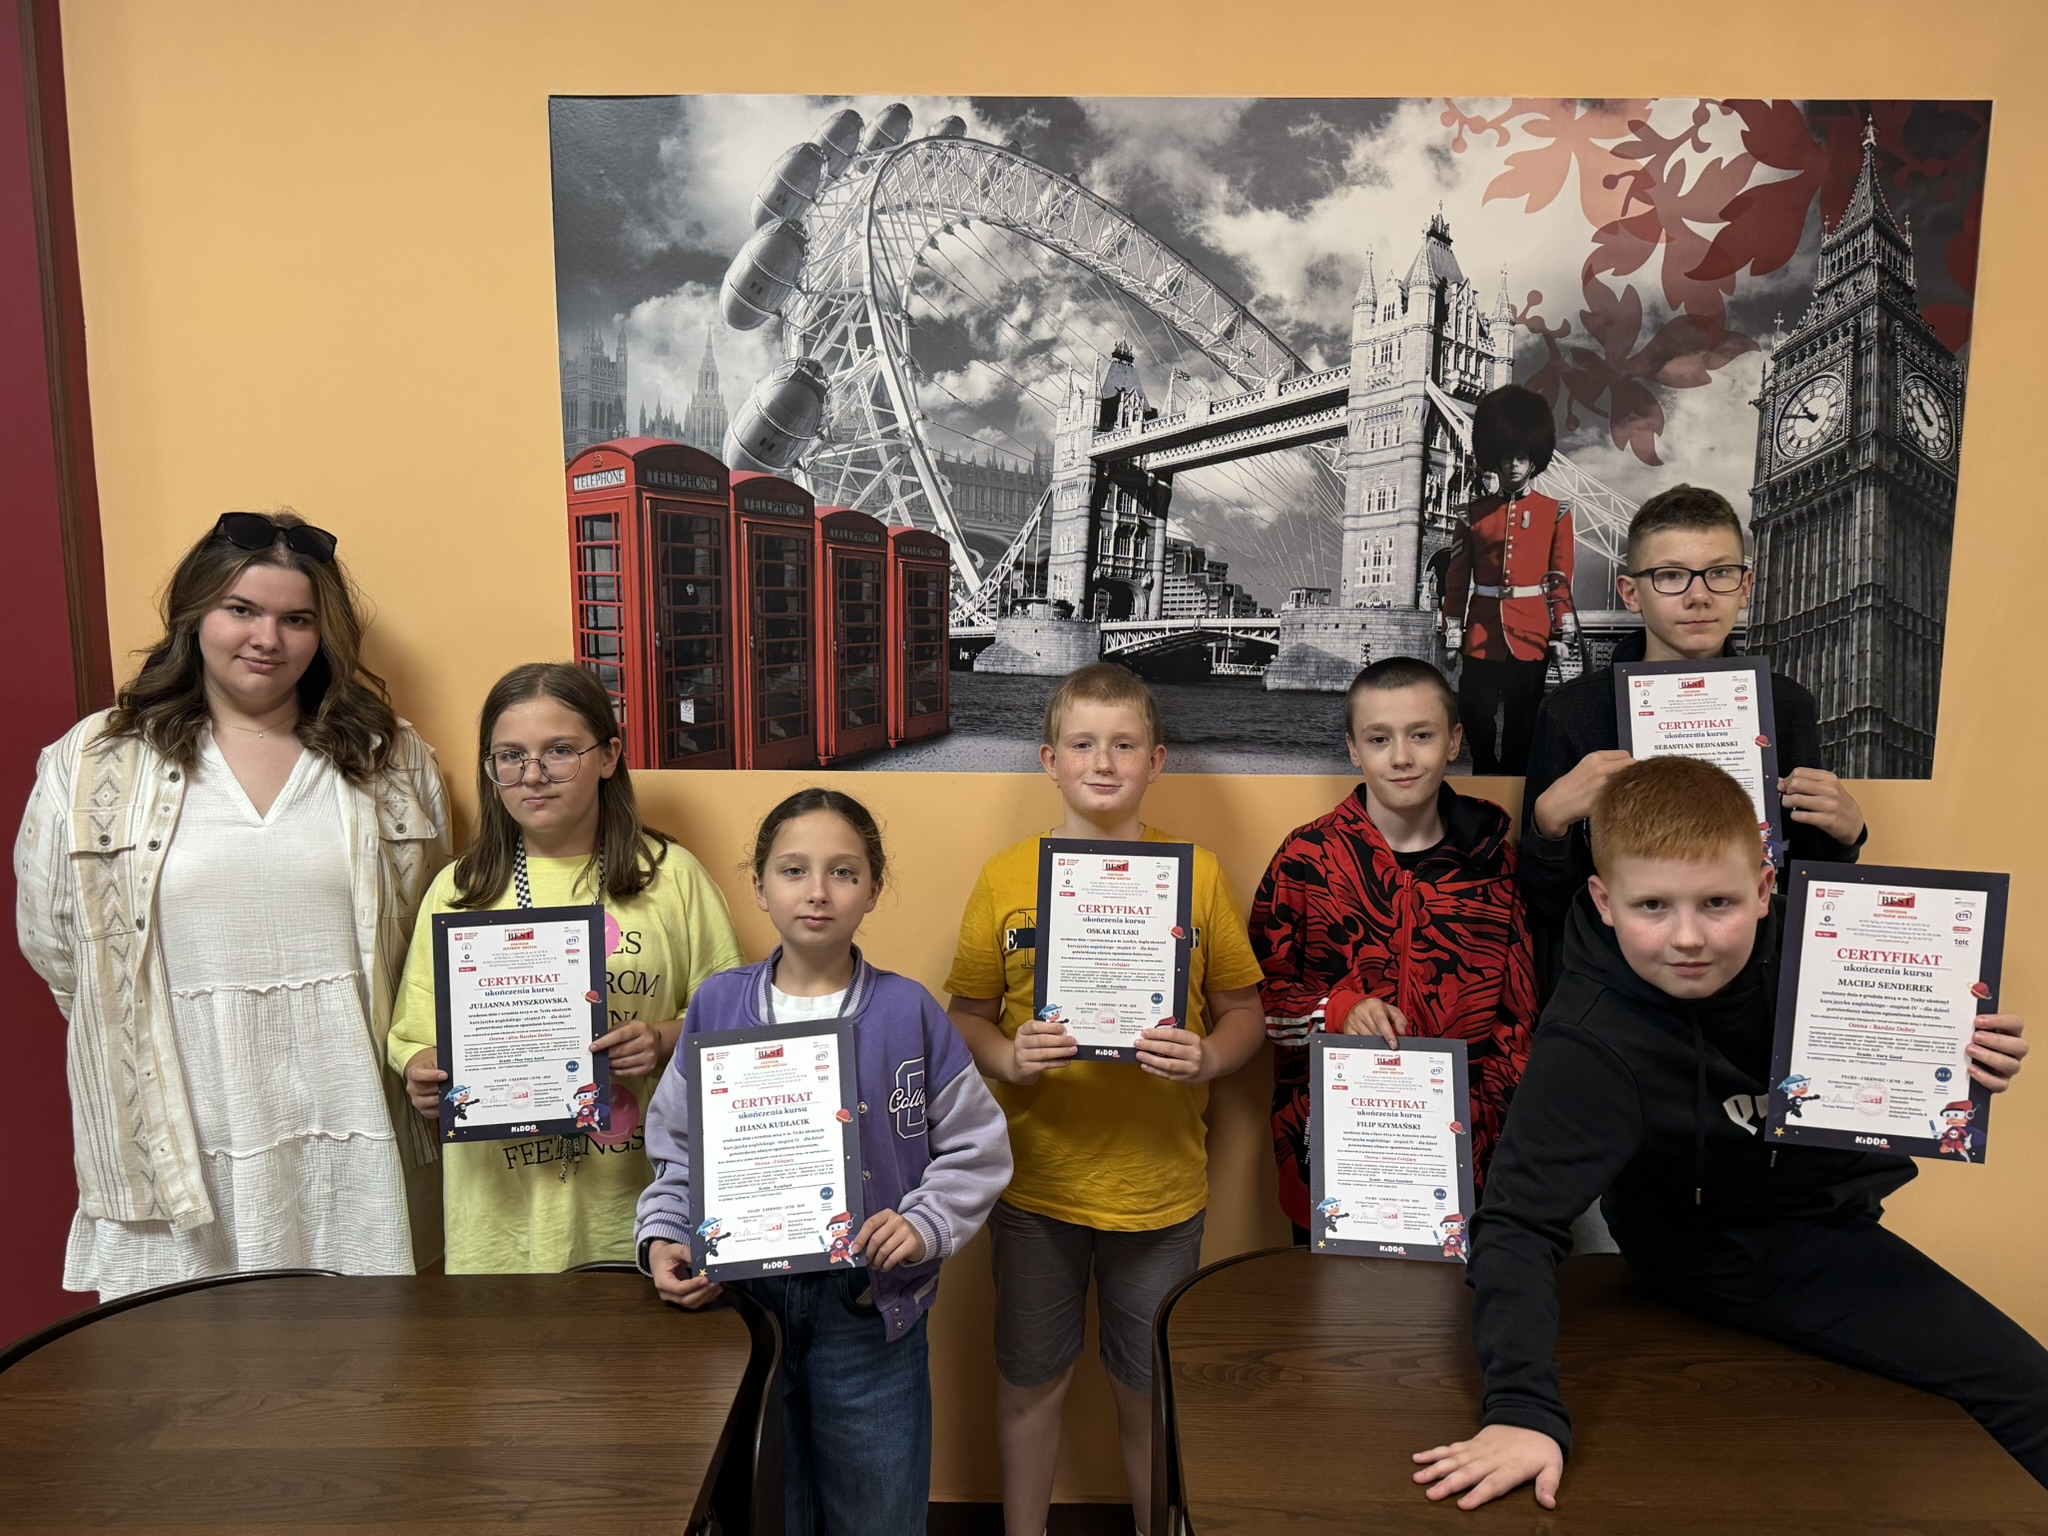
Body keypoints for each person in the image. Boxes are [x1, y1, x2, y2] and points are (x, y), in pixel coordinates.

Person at [1413, 757, 2043, 1509]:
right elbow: (1516, 1224)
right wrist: (1521, 1409)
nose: (1688, 937)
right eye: (1652, 906)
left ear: (1766, 888)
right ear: (1604, 902)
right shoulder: (1590, 1042)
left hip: (1826, 1205)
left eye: (1718, 902)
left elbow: (1897, 1076)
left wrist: (1950, 1058)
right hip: (1719, 1246)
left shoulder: (1828, 949)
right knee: (2027, 1390)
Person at [15, 510, 448, 1296]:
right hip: (183, 1123)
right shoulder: (96, 760)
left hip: (352, 1115)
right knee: (183, 1357)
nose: (266, 639)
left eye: (297, 619)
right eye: (241, 610)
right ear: (195, 615)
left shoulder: (392, 756)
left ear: (325, 634)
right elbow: (55, 944)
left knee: (364, 1354)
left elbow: (428, 932)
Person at [944, 662, 1267, 1536]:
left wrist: (1208, 1058)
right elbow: (965, 1016)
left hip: (1160, 1192)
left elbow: (1244, 1011)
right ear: (1049, 761)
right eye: (1083, 745)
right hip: (1035, 1188)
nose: (1103, 762)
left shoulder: (1197, 875)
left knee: (1148, 1393)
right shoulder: (1006, 876)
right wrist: (1009, 1059)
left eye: (1124, 746)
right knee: (1030, 1385)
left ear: (1156, 762)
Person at [638, 788, 1012, 1536]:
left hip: (870, 1308)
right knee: (769, 1509)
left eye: (843, 872)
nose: (817, 891)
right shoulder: (717, 1006)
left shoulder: (909, 1012)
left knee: (879, 1513)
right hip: (744, 1305)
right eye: (793, 870)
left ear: (873, 888)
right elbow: (676, 1148)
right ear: (759, 886)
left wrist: (924, 1223)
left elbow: (978, 1146)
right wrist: (665, 1234)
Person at [390, 662, 741, 1271]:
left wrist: (663, 1038)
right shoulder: (458, 890)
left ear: (608, 757)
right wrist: (424, 1073)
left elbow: (732, 1020)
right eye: (510, 756)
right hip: (499, 1217)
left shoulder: (670, 876)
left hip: (640, 1209)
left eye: (559, 751)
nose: (533, 775)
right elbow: (416, 1037)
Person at [1518, 484, 1867, 987]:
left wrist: (1846, 838)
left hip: (1751, 988)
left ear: (1746, 586)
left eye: (1720, 573)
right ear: (1630, 593)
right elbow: (1548, 905)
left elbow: (1804, 897)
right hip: (1615, 993)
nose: (1699, 595)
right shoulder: (1570, 713)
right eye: (1671, 576)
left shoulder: (1787, 706)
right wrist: (1547, 828)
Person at [1250, 656, 1537, 1241]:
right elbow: (1261, 1001)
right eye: (1379, 739)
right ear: (1353, 749)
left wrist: (1489, 1134)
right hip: (1333, 1155)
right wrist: (1336, 1010)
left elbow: (1519, 1020)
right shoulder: (1306, 859)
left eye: (1421, 735)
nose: (1401, 757)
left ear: (1454, 741)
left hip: (1461, 1166)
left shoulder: (1495, 867)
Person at [1440, 383, 1575, 776]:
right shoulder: (1470, 514)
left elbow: (1559, 580)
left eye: (1521, 458)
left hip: (1531, 634)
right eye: (1507, 458)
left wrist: (1562, 634)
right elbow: (1456, 580)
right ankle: (1486, 774)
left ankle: (1512, 783)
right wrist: (1452, 635)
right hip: (1482, 633)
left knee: (1523, 727)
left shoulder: (1556, 513)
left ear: (1533, 461)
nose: (1513, 465)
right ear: (1494, 460)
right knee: (1474, 713)